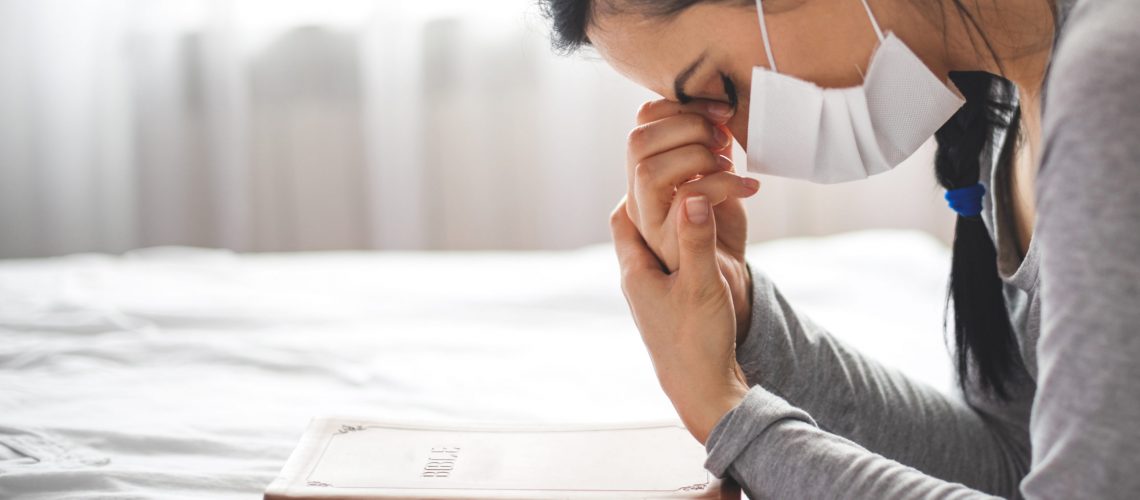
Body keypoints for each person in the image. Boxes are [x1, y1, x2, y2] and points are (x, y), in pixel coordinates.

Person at [539, 0, 1139, 497]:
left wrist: (728, 413)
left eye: (723, 90)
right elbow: (1014, 465)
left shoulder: (1111, 83)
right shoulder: (1012, 111)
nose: (741, 140)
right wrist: (743, 316)